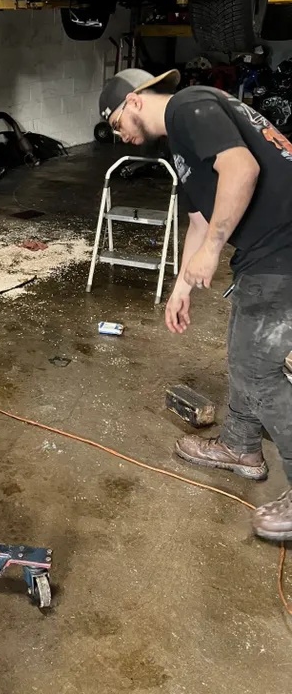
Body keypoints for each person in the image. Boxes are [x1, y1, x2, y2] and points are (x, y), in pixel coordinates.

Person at [99, 68, 292, 542]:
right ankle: (241, 446)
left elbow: (242, 169)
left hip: (283, 247)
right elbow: (200, 221)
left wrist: (212, 252)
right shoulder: (181, 141)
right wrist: (181, 287)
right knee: (244, 354)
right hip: (267, 250)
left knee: (259, 370)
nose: (119, 134)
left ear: (136, 100)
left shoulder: (189, 106)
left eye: (116, 121)